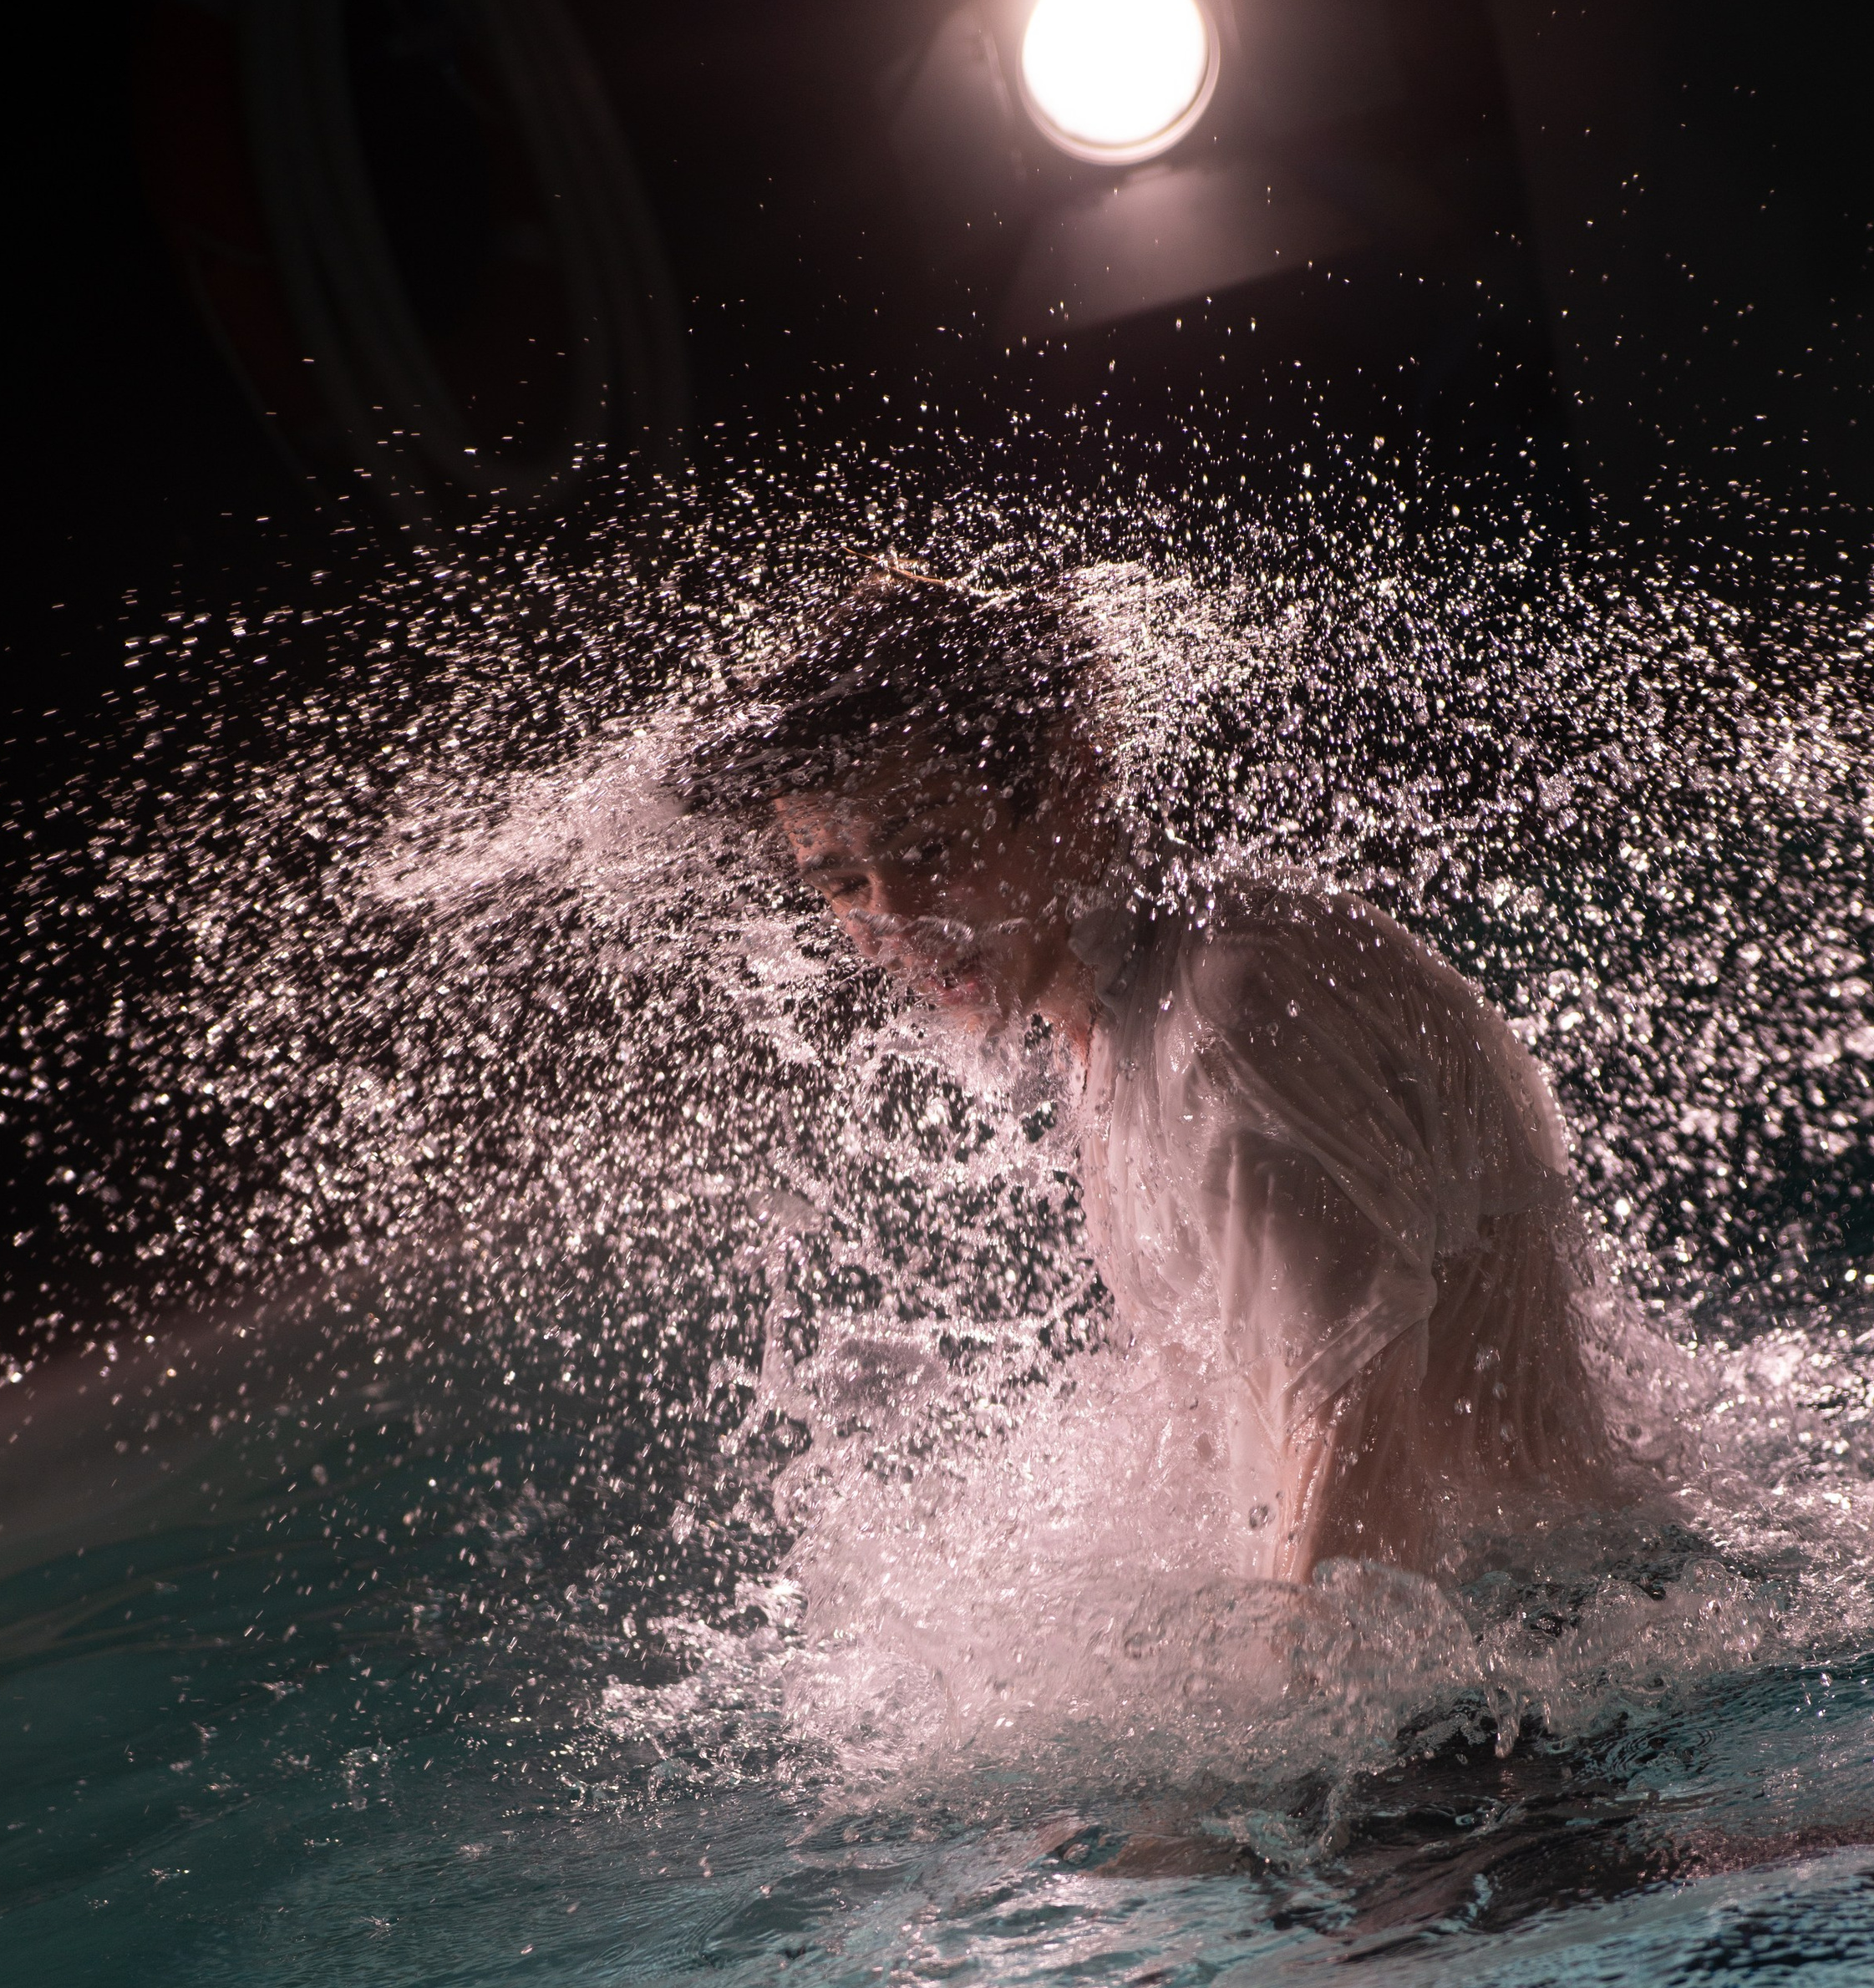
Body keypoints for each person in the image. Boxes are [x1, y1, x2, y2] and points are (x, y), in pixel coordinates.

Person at [680, 565, 1621, 1580]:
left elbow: (1358, 1504)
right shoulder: (1126, 1008)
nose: (898, 917)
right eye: (846, 884)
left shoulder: (1228, 1017)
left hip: (1525, 1673)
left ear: (1072, 782)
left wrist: (1300, 1730)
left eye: (931, 846)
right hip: (1536, 1625)